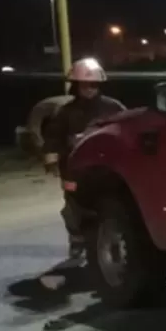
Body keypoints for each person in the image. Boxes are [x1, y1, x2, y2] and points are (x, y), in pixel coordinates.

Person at [43, 58, 125, 269]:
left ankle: (114, 244)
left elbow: (126, 131)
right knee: (73, 208)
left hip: (106, 169)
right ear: (76, 85)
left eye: (93, 84)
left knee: (114, 206)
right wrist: (51, 154)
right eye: (84, 84)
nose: (89, 89)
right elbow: (53, 137)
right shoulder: (65, 112)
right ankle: (77, 242)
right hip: (75, 171)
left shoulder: (113, 107)